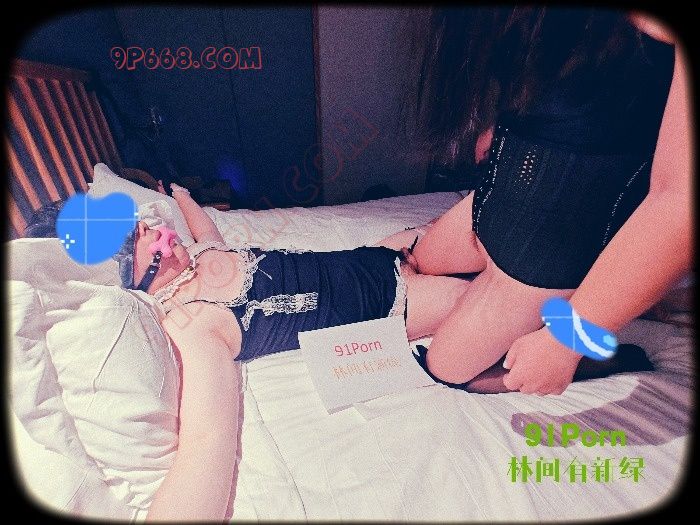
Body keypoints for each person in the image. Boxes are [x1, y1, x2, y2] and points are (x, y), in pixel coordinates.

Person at [394, 8, 692, 395]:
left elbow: (679, 203)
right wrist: (503, 125)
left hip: (554, 247)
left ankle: (603, 347)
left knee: (447, 367)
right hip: (497, 204)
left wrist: (568, 340)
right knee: (413, 259)